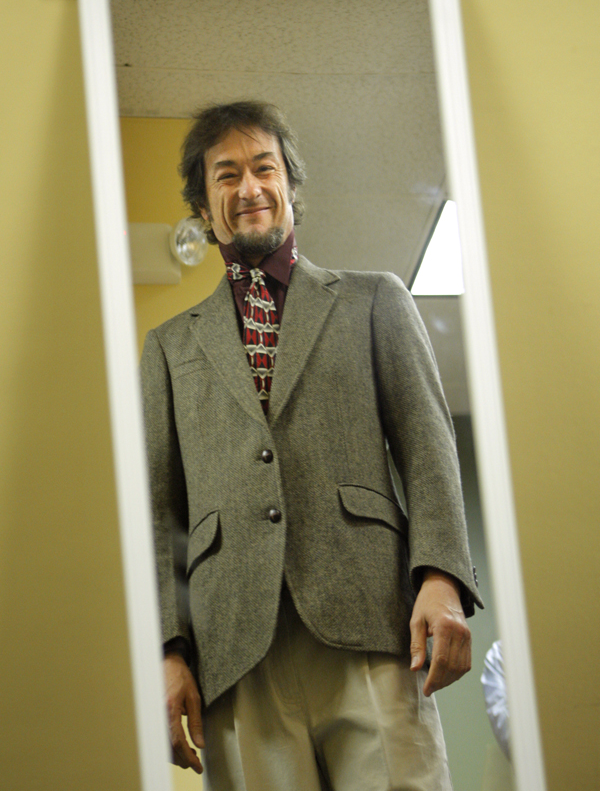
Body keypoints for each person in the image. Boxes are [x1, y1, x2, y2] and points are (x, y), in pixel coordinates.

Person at [141, 100, 483, 791]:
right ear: (203, 208)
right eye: (226, 175)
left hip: (372, 619)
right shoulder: (169, 347)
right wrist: (166, 650)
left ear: (290, 186)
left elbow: (428, 448)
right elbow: (156, 511)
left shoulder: (376, 300)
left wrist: (441, 578)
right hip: (233, 644)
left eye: (264, 168)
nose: (249, 188)